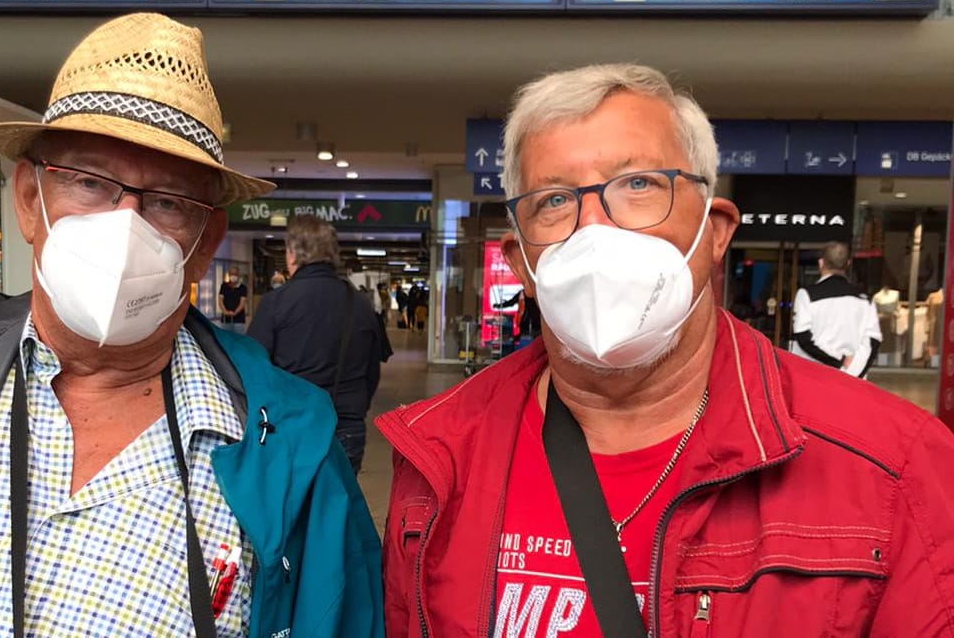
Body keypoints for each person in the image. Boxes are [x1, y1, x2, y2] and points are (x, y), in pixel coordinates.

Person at [0, 13, 383, 638]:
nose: (126, 227)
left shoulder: (292, 448)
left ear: (204, 243)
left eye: (168, 201)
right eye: (90, 183)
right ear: (28, 199)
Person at [377, 64, 954, 637]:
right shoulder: (441, 453)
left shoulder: (893, 469)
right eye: (554, 200)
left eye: (639, 185)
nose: (595, 230)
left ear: (714, 231)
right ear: (521, 262)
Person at [248, 215, 381, 475]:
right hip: (346, 428)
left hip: (291, 426)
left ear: (293, 254)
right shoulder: (360, 304)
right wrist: (351, 410)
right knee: (337, 508)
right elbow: (371, 373)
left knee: (290, 511)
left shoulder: (276, 303)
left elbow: (253, 370)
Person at [791, 241, 882, 379]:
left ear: (821, 263)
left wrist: (838, 361)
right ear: (848, 264)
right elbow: (873, 341)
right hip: (852, 379)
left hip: (813, 376)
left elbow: (803, 338)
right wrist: (854, 372)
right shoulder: (865, 300)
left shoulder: (806, 295)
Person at [218, 264, 248, 332]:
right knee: (226, 338)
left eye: (235, 274)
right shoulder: (224, 286)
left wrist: (235, 312)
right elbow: (220, 300)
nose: (233, 276)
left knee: (238, 339)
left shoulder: (243, 288)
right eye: (231, 274)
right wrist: (225, 311)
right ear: (229, 274)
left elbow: (242, 303)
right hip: (226, 319)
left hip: (239, 320)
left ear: (238, 275)